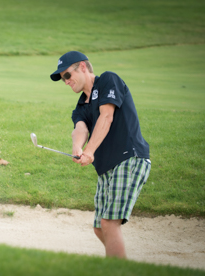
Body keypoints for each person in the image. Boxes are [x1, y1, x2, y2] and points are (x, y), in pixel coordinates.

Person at [50, 51, 151, 259]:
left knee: (108, 223)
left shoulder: (108, 80)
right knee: (99, 227)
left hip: (128, 159)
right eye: (62, 79)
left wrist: (89, 151)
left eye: (67, 75)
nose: (66, 81)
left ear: (83, 67)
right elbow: (80, 129)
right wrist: (78, 147)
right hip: (107, 168)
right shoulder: (80, 106)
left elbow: (107, 116)